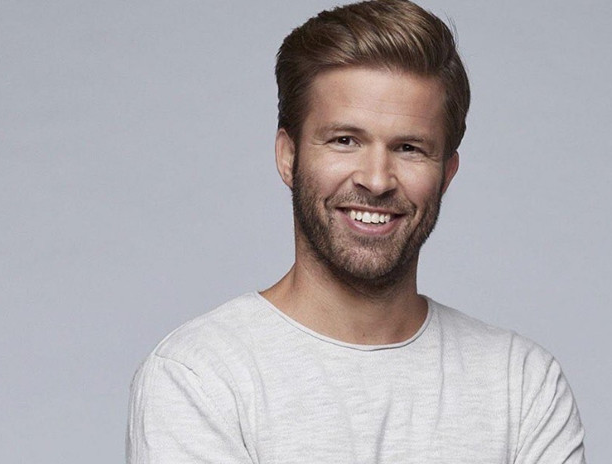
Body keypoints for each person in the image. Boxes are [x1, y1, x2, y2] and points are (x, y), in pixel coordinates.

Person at [126, 1, 587, 462]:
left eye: (409, 148)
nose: (377, 180)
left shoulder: (522, 386)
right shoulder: (199, 376)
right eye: (345, 140)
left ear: (446, 173)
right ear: (288, 157)